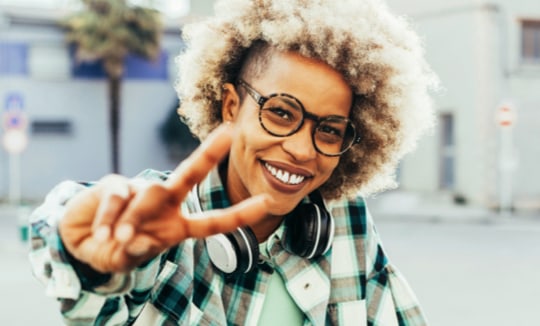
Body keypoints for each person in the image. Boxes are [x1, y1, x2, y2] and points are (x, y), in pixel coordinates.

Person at [29, 0, 438, 324]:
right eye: (281, 113)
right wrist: (77, 247)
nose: (302, 149)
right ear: (230, 106)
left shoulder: (348, 225)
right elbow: (88, 284)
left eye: (329, 129)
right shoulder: (160, 223)